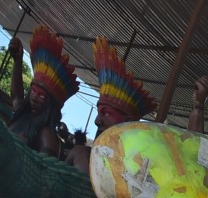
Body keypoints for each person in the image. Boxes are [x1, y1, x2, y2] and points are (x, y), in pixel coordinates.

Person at [66, 37, 157, 173]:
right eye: (98, 112)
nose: (97, 121)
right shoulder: (79, 153)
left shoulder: (134, 172)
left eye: (106, 113)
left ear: (126, 123)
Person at [8, 25, 79, 156]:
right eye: (33, 91)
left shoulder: (47, 136)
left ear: (50, 104)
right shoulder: (22, 115)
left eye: (41, 96)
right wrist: (18, 61)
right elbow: (16, 96)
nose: (34, 97)